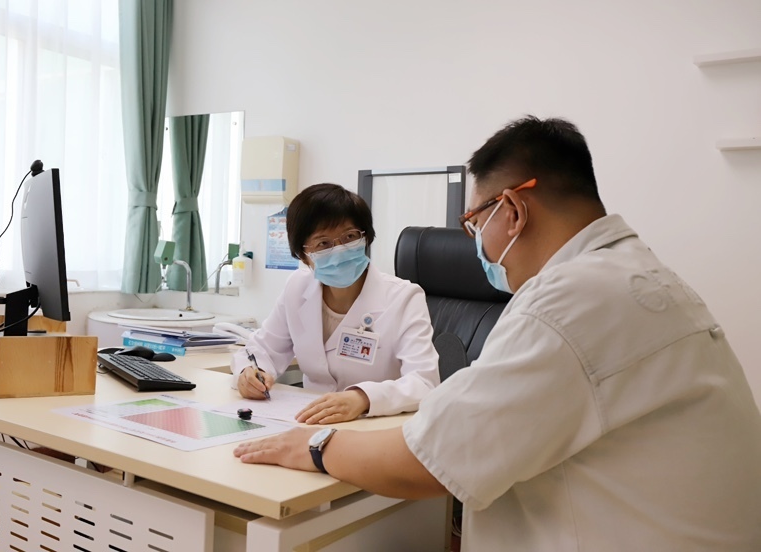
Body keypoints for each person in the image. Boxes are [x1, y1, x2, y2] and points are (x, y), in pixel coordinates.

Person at [233, 117, 761, 550]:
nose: (477, 243)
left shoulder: (567, 303)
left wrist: (316, 445)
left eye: (473, 224)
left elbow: (432, 458)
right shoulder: (637, 275)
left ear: (511, 210)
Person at [230, 183, 440, 424]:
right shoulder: (297, 288)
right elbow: (262, 350)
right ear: (303, 255)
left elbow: (424, 382)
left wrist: (363, 398)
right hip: (309, 423)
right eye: (323, 243)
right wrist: (248, 374)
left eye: (349, 237)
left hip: (375, 427)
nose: (339, 250)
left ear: (365, 238)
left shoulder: (404, 297)